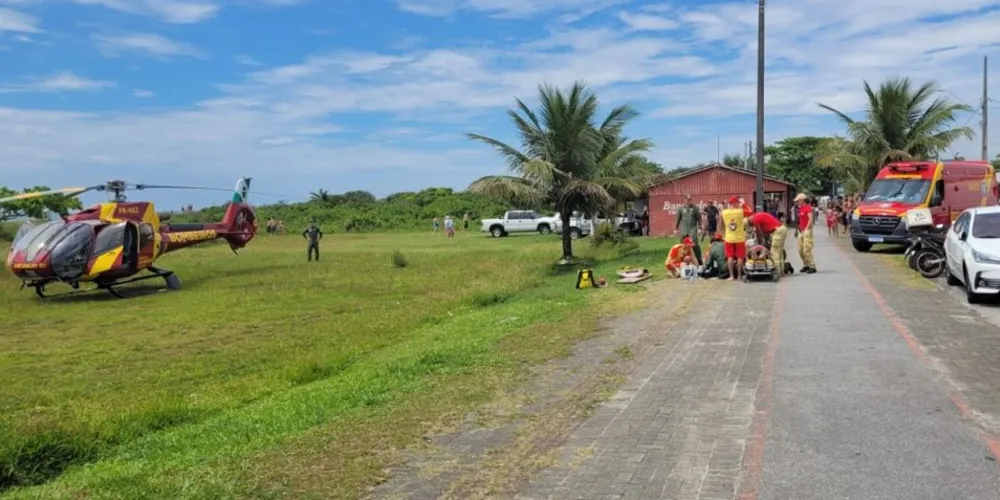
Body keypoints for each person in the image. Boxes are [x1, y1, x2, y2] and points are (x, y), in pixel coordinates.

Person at [747, 210, 788, 277]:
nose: (753, 225)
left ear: (750, 221)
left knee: (774, 253)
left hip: (778, 231)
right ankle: (782, 272)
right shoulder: (759, 215)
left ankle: (777, 272)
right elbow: (765, 233)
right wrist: (765, 242)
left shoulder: (755, 219)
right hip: (782, 229)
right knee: (779, 253)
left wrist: (759, 245)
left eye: (752, 225)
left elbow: (758, 234)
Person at [721, 195, 752, 281]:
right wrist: (743, 204)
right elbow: (750, 212)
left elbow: (722, 225)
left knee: (730, 256)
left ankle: (731, 276)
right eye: (737, 203)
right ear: (735, 203)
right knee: (740, 257)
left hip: (729, 238)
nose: (738, 204)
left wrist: (723, 234)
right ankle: (739, 276)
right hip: (739, 238)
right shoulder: (740, 211)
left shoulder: (724, 212)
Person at [674, 195, 703, 265]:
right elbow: (678, 219)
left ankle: (699, 260)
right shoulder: (681, 208)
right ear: (685, 200)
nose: (689, 201)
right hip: (684, 229)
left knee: (694, 243)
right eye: (688, 200)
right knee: (682, 245)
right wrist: (676, 228)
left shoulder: (695, 208)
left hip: (692, 228)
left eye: (690, 200)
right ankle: (682, 260)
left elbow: (699, 219)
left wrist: (699, 228)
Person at [795, 193, 817, 274]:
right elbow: (799, 220)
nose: (797, 202)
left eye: (798, 200)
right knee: (800, 250)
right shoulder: (800, 208)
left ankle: (812, 266)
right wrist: (797, 229)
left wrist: (807, 229)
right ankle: (806, 264)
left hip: (807, 231)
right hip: (801, 230)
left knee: (807, 249)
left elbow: (810, 218)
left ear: (802, 200)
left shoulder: (807, 207)